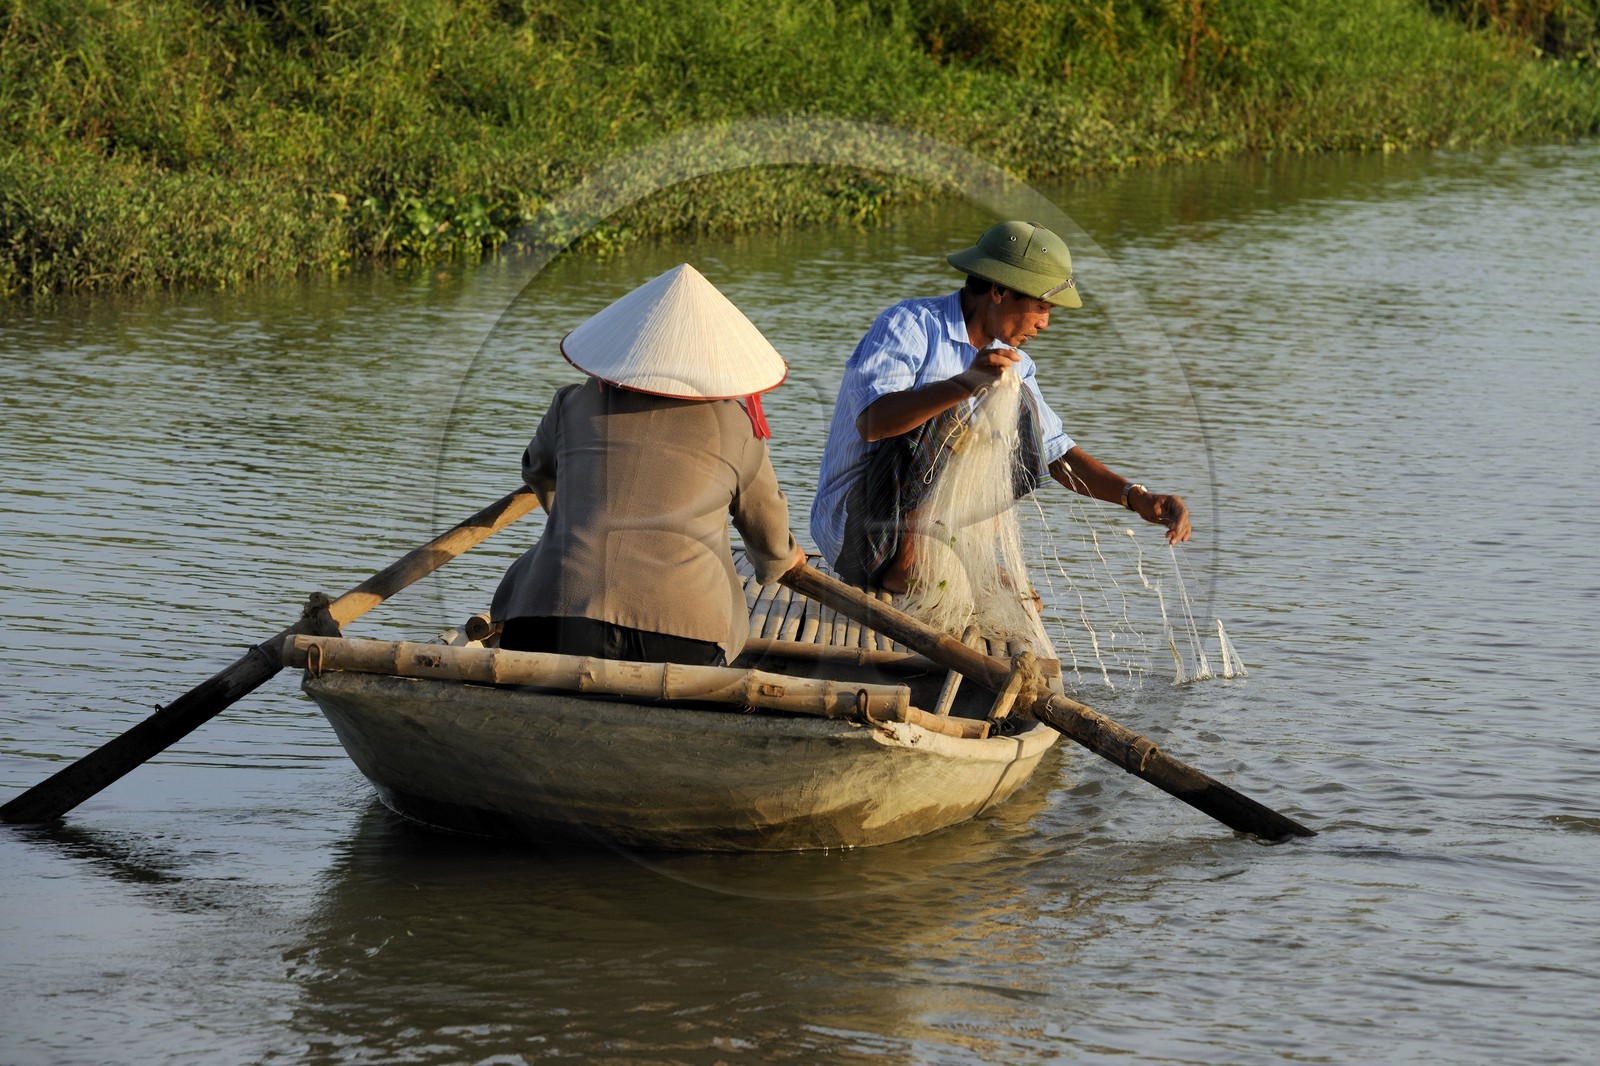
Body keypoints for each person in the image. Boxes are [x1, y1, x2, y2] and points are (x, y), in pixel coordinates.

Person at [811, 219, 1191, 592]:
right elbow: (873, 422)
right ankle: (909, 562)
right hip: (860, 535)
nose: (1045, 324)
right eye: (1041, 306)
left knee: (1018, 407)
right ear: (999, 291)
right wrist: (964, 384)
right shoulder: (911, 325)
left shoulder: (1013, 364)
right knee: (957, 410)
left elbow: (1055, 454)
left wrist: (1135, 497)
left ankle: (954, 553)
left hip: (937, 533)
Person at [491, 263, 804, 667]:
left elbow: (537, 471)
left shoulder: (572, 403)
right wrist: (784, 559)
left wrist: (583, 514)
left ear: (632, 345)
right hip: (682, 635)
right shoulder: (738, 427)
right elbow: (770, 541)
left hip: (546, 618)